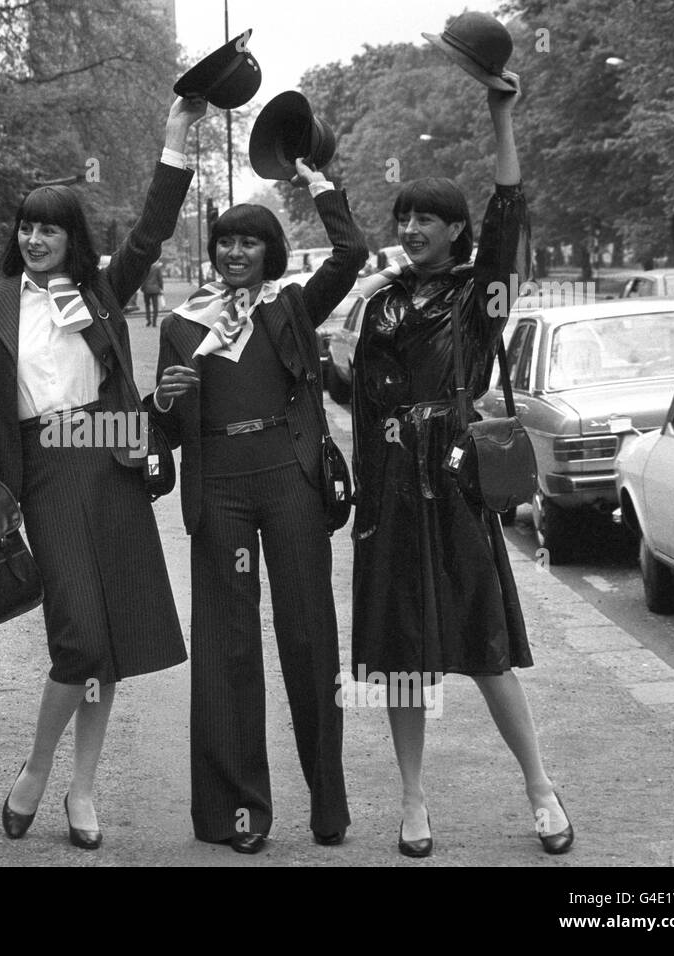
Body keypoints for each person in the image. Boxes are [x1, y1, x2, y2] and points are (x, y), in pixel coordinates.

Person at [0, 95, 208, 849]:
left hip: (111, 458)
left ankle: (82, 789)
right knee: (80, 636)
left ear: (71, 237)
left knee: (115, 636)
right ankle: (36, 768)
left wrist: (174, 139)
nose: (34, 239)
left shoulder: (100, 292)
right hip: (46, 471)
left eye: (49, 228)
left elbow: (154, 230)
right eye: (26, 227)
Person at [350, 73, 575, 857]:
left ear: (455, 230)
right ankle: (413, 803)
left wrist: (501, 114)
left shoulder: (479, 298)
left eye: (427, 218)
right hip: (389, 495)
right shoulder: (379, 303)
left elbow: (511, 215)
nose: (411, 227)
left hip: (450, 485)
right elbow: (362, 402)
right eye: (404, 216)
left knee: (487, 651)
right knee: (401, 661)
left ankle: (541, 789)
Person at [151, 160, 367, 854]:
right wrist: (163, 400)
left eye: (249, 242)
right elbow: (158, 427)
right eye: (225, 242)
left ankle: (328, 806)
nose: (235, 252)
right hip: (219, 486)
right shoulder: (182, 326)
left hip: (289, 477)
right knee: (227, 648)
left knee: (309, 637)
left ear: (269, 251)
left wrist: (319, 182)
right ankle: (237, 815)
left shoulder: (291, 306)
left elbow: (352, 254)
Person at [141, 261, 165, 326]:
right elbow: (160, 279)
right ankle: (154, 322)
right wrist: (161, 288)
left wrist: (142, 288)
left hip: (146, 289)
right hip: (155, 289)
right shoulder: (157, 268)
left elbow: (142, 278)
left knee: (147, 305)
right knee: (155, 306)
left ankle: (148, 320)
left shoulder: (145, 268)